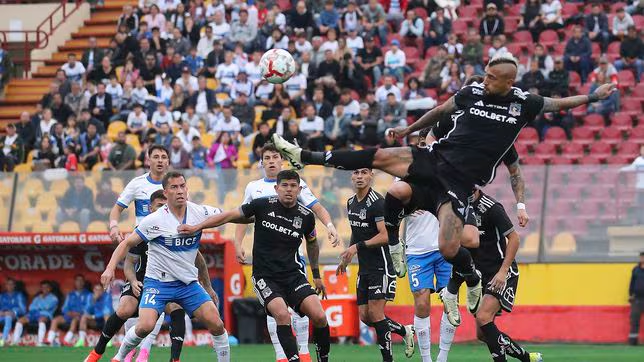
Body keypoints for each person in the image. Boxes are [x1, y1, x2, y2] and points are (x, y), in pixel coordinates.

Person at [270, 53, 617, 327]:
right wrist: (408, 130)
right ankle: (305, 155)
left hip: (459, 185)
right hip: (434, 160)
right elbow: (440, 110)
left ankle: (469, 277)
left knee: (449, 246)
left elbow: (559, 104)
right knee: (382, 164)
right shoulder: (472, 92)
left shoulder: (523, 104)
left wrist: (593, 96)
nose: (485, 80)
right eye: (485, 74)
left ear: (508, 81)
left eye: (492, 77)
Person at [179, 170, 331, 362]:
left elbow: (312, 242)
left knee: (319, 316)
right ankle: (293, 359)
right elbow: (228, 216)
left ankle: (323, 358)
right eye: (284, 185)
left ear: (299, 189)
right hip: (265, 277)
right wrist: (196, 227)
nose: (289, 190)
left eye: (293, 186)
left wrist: (316, 274)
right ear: (276, 188)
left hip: (293, 276)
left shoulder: (306, 216)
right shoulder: (262, 205)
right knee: (282, 315)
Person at [100, 172, 230, 362]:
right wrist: (110, 268)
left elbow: (231, 216)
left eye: (182, 186)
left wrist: (255, 213)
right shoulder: (154, 220)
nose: (180, 191)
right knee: (145, 325)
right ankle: (119, 357)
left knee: (217, 324)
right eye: (174, 187)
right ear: (166, 192)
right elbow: (126, 244)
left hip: (188, 284)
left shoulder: (199, 212)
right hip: (158, 283)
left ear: (187, 188)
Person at [235, 144, 339, 362]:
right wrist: (238, 243)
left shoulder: (296, 184)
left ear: (282, 161)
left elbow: (316, 208)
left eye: (275, 157)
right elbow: (241, 217)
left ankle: (303, 351)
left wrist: (329, 225)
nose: (271, 161)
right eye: (267, 158)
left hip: (294, 259)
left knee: (304, 310)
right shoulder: (253, 188)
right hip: (266, 261)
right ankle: (282, 355)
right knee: (276, 311)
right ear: (261, 162)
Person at [84, 146, 170, 362]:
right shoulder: (138, 183)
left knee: (166, 304)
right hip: (141, 248)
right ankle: (100, 352)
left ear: (168, 161)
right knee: (125, 309)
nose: (160, 161)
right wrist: (114, 226)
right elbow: (116, 209)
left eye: (164, 157)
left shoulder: (174, 185)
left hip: (167, 250)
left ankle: (144, 352)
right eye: (156, 157)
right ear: (148, 160)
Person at [337, 168, 414, 362]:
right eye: (356, 173)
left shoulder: (378, 203)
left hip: (382, 266)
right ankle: (405, 330)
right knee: (365, 316)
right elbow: (356, 232)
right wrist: (347, 256)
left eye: (364, 173)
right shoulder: (350, 202)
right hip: (365, 267)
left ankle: (388, 359)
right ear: (351, 177)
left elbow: (386, 235)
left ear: (371, 175)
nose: (360, 177)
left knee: (376, 314)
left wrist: (357, 247)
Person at [398, 129, 458, 362]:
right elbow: (392, 209)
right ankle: (426, 359)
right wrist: (408, 207)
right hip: (417, 251)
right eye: (421, 143)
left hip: (445, 247)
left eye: (428, 143)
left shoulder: (448, 173)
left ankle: (442, 357)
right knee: (422, 302)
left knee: (449, 301)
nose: (424, 147)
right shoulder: (403, 175)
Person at [470, 189, 543, 362]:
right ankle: (527, 358)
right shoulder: (460, 206)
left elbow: (514, 238)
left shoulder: (492, 207)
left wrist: (503, 272)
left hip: (501, 271)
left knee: (483, 317)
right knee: (482, 333)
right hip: (481, 275)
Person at [46, 275, 91, 346]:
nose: (79, 282)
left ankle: (66, 340)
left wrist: (79, 313)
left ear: (83, 282)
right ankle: (49, 340)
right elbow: (64, 308)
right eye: (77, 280)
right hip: (69, 315)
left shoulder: (88, 294)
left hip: (79, 316)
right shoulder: (70, 294)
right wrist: (68, 312)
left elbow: (88, 307)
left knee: (74, 321)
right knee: (55, 320)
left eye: (81, 281)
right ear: (75, 282)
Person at [12, 281, 59, 346]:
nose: (44, 289)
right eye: (43, 287)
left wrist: (39, 304)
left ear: (50, 288)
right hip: (33, 314)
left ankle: (40, 342)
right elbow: (31, 307)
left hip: (45, 314)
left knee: (41, 320)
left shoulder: (54, 298)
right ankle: (15, 341)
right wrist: (40, 305)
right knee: (20, 321)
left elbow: (47, 307)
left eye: (46, 287)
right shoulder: (37, 297)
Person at [0, 278, 26, 347]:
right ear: (5, 285)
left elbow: (23, 309)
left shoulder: (19, 295)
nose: (10, 286)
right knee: (6, 315)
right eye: (8, 284)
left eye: (11, 284)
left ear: (14, 286)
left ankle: (3, 340)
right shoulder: (2, 296)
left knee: (8, 317)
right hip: (2, 314)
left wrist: (13, 312)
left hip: (13, 315)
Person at [629, 252, 644, 345]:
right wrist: (630, 294)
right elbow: (632, 282)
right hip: (637, 299)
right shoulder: (636, 269)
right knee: (634, 320)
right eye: (641, 257)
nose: (642, 258)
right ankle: (633, 341)